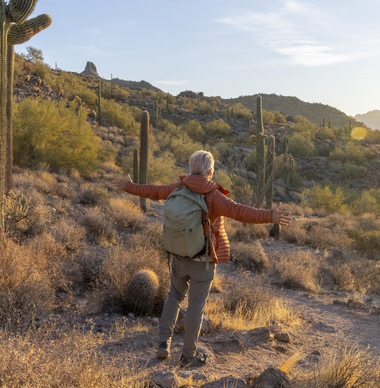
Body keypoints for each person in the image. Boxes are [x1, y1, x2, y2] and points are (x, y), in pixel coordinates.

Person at [112, 150, 293, 366]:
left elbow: (154, 191)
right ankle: (188, 355)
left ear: (190, 168)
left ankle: (163, 344)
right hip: (203, 260)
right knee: (196, 306)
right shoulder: (213, 195)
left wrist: (128, 186)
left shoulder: (178, 188)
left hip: (179, 254)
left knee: (174, 296)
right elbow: (239, 212)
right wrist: (269, 216)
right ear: (210, 171)